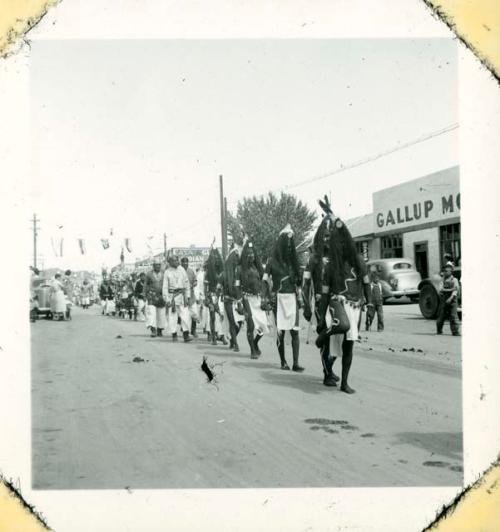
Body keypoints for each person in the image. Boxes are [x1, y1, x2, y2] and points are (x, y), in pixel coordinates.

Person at [303, 196, 371, 393]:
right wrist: (313, 310)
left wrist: (371, 305)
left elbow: (366, 284)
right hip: (331, 304)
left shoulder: (357, 260)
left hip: (354, 307)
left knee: (348, 344)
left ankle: (344, 382)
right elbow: (314, 288)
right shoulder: (319, 261)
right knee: (331, 342)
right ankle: (327, 372)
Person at [262, 224, 304, 371]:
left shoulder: (294, 262)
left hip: (292, 298)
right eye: (285, 244)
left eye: (289, 245)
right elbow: (265, 281)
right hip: (278, 299)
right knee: (280, 331)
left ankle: (296, 363)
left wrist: (298, 280)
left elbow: (300, 282)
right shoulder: (271, 262)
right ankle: (283, 362)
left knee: (295, 331)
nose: (288, 247)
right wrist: (266, 298)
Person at [239, 239, 269, 359]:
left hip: (258, 300)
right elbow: (237, 286)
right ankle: (252, 350)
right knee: (251, 326)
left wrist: (265, 298)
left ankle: (255, 343)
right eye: (248, 254)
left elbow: (264, 283)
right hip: (246, 299)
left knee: (263, 326)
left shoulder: (258, 268)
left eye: (252, 253)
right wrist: (239, 303)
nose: (251, 256)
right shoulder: (240, 269)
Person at [163, 255, 192, 342]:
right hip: (172, 296)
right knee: (173, 317)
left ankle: (186, 335)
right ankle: (174, 334)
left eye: (177, 260)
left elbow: (186, 283)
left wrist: (188, 296)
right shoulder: (167, 272)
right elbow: (165, 287)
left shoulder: (182, 270)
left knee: (185, 315)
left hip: (182, 296)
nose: (177, 262)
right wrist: (167, 299)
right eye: (174, 261)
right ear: (170, 262)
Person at [222, 245, 243, 352]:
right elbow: (219, 287)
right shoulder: (224, 274)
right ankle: (235, 344)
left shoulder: (239, 272)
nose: (236, 260)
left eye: (237, 258)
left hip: (238, 300)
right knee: (232, 322)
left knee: (239, 323)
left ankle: (232, 340)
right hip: (228, 300)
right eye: (234, 258)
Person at [205, 247, 227, 346]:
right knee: (213, 317)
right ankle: (213, 336)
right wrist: (206, 297)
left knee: (222, 317)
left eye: (218, 258)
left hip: (221, 296)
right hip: (212, 296)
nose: (217, 260)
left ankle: (222, 335)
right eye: (214, 259)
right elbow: (205, 286)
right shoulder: (208, 273)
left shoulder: (223, 273)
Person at [144, 259, 166, 337]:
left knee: (161, 314)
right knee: (151, 313)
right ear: (153, 266)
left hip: (161, 296)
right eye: (156, 265)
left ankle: (160, 330)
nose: (158, 266)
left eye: (159, 265)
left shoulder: (164, 273)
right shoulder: (149, 274)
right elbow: (145, 285)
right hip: (151, 296)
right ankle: (153, 330)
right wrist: (145, 295)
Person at [436, 263, 460, 336]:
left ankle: (455, 331)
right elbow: (440, 289)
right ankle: (439, 330)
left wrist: (450, 297)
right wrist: (451, 289)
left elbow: (456, 290)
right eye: (444, 271)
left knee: (453, 316)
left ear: (450, 272)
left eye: (446, 271)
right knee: (441, 316)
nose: (445, 273)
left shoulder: (454, 280)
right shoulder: (442, 280)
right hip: (444, 300)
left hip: (452, 299)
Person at [181, 257, 198, 337]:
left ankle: (193, 329)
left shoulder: (191, 271)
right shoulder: (178, 271)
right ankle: (186, 331)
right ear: (181, 263)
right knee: (184, 315)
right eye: (183, 262)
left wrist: (193, 284)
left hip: (191, 296)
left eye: (186, 262)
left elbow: (195, 281)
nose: (185, 264)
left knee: (194, 313)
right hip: (182, 296)